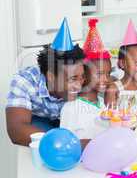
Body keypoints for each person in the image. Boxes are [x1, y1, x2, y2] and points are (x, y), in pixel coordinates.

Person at [6, 18, 85, 146]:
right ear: (51, 77)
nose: (79, 85)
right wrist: (68, 144)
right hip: (40, 123)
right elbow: (16, 130)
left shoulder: (82, 74)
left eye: (82, 77)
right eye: (72, 79)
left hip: (68, 121)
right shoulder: (25, 81)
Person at [60, 19, 112, 148]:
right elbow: (65, 145)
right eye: (99, 74)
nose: (106, 79)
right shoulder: (70, 108)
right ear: (85, 73)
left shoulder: (103, 103)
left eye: (108, 73)